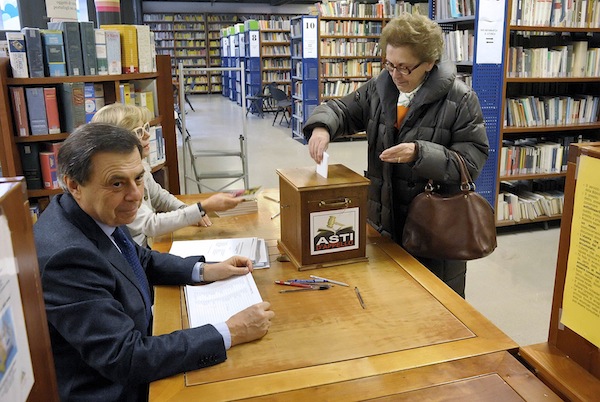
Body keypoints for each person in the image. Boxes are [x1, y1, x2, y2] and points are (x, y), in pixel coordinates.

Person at [33, 123, 274, 401]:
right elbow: (125, 357)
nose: (135, 195)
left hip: (141, 349)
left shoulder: (94, 212)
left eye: (138, 178)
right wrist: (230, 331)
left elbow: (138, 258)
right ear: (74, 184)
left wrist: (206, 270)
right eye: (117, 183)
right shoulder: (66, 258)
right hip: (116, 390)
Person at [303, 13, 489, 298]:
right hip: (384, 226)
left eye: (404, 68)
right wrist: (321, 127)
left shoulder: (460, 99)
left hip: (434, 234)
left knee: (435, 310)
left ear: (429, 63)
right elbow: (342, 109)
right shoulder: (380, 88)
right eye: (389, 64)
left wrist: (420, 152)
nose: (395, 74)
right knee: (387, 303)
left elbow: (472, 160)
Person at [91, 103, 244, 247]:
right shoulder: (116, 185)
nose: (146, 135)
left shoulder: (142, 167)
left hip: (147, 246)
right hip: (136, 252)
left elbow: (160, 197)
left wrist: (187, 209)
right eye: (137, 132)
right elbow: (150, 224)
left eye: (145, 127)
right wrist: (202, 208)